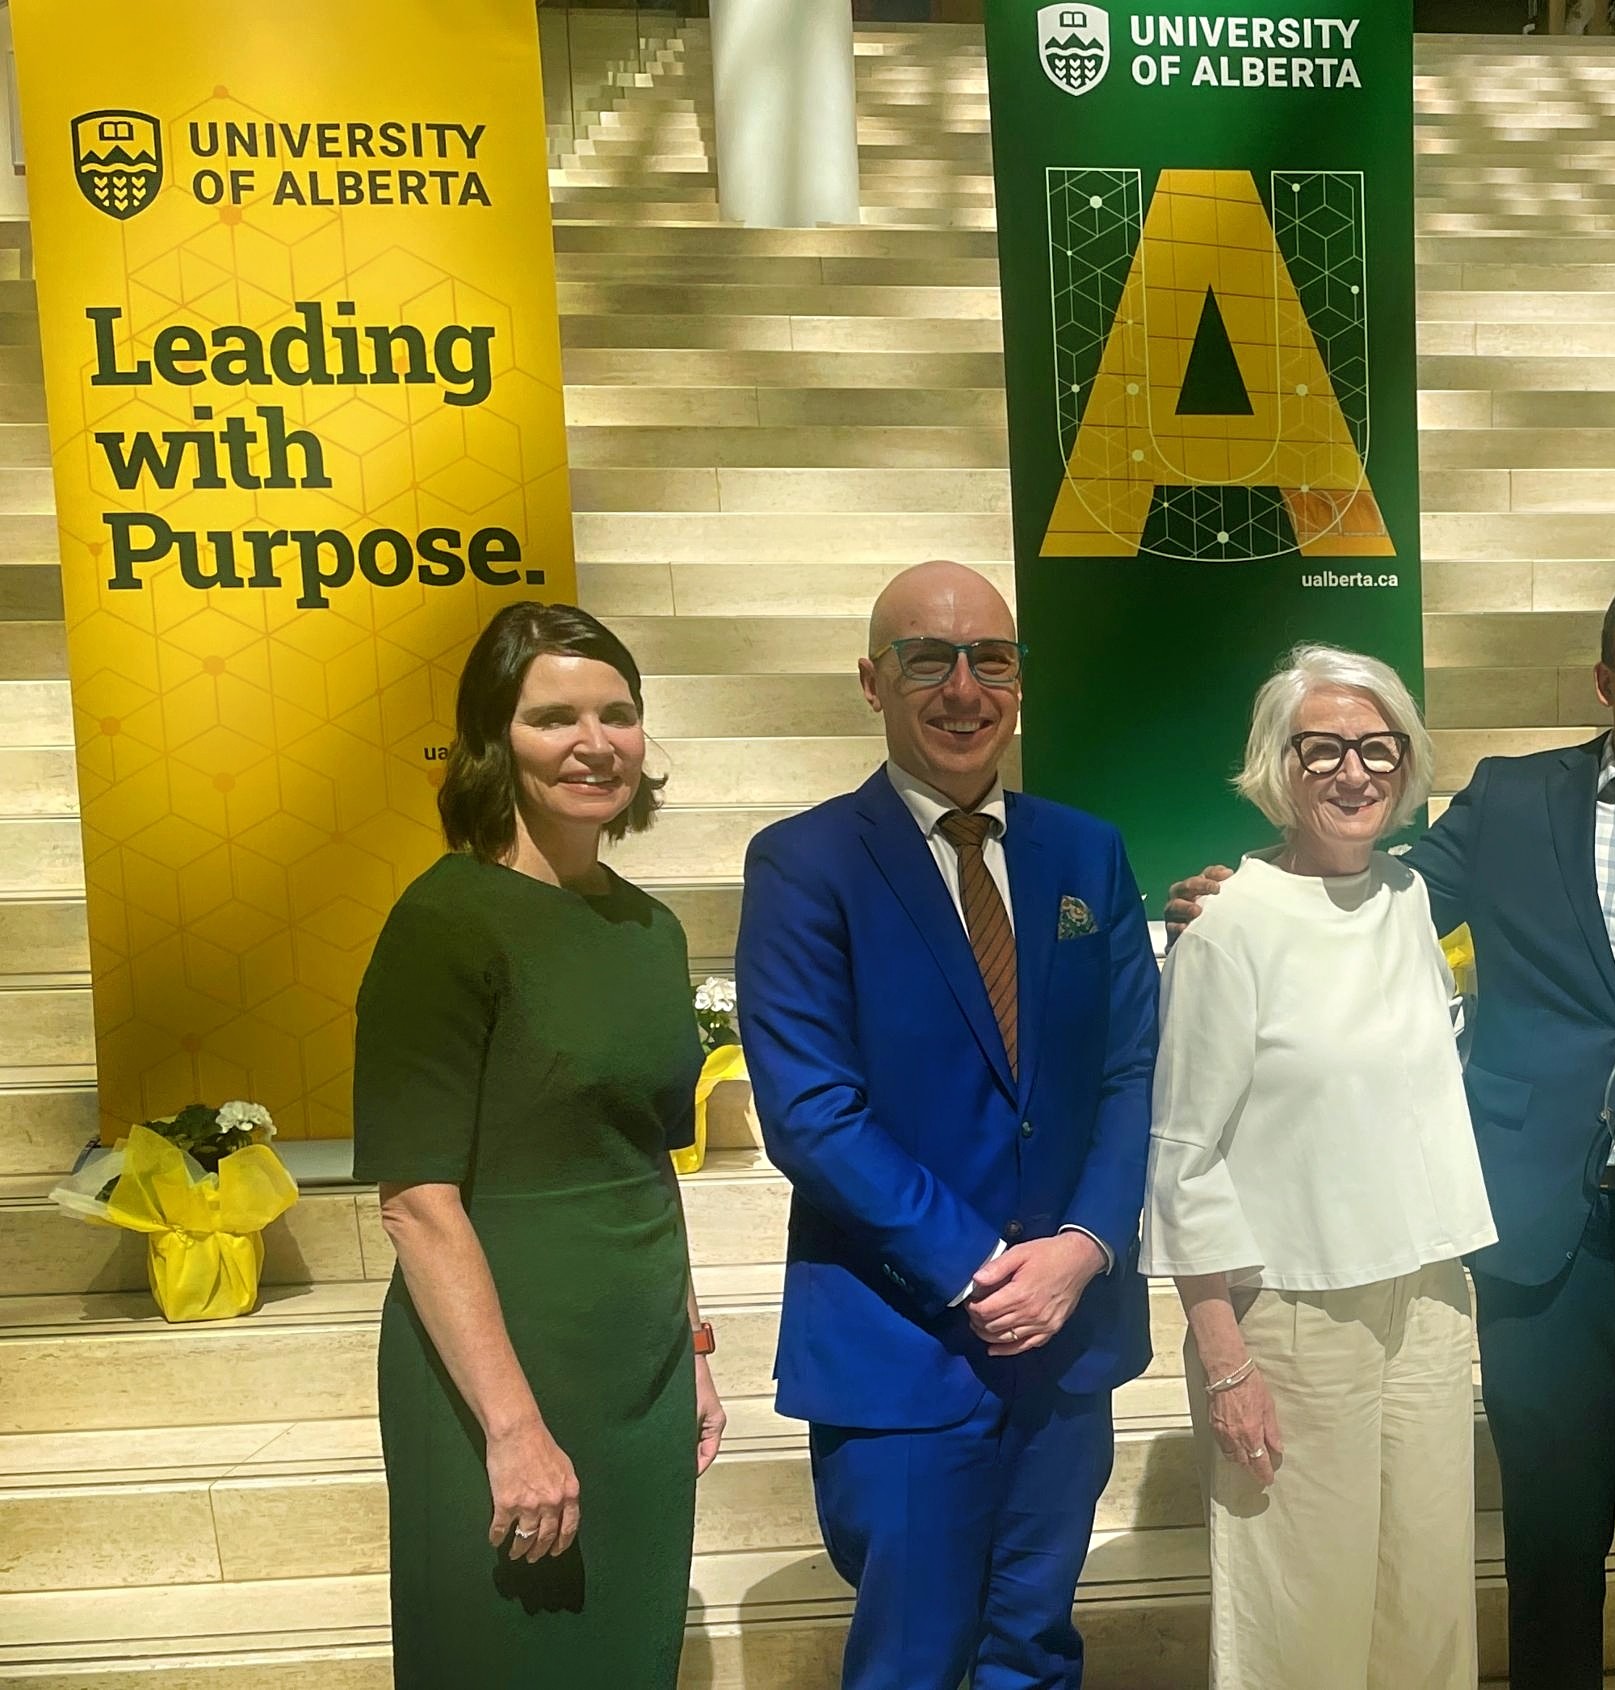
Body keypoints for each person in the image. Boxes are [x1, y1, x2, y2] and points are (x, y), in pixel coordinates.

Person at [1171, 566, 1615, 1690]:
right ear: (1608, 679)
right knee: (1550, 1557)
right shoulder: (1514, 799)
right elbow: (1367, 899)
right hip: (1540, 1242)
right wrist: (1252, 892)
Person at [737, 560, 1160, 1690]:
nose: (964, 687)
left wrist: (1082, 1248)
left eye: (993, 658)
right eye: (930, 658)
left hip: (1065, 1340)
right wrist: (979, 1266)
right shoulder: (805, 863)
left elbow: (1132, 1074)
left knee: (1033, 1649)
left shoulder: (1087, 854)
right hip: (903, 1343)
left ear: (1022, 680)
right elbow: (812, 1112)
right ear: (873, 682)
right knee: (913, 1662)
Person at [354, 601, 724, 1689]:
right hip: (494, 1377)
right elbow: (416, 1200)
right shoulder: (445, 920)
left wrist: (691, 1347)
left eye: (618, 713)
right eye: (554, 716)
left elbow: (649, 1159)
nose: (593, 741)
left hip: (640, 1372)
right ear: (494, 741)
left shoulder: (650, 931)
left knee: (627, 1654)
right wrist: (514, 1429)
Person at [1144, 644, 1497, 1690]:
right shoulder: (1229, 929)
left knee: (1423, 1597)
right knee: (1299, 1611)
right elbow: (1183, 1154)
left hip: (1427, 1295)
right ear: (1277, 765)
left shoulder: (1407, 899)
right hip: (1291, 1313)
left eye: (1378, 749)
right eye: (1323, 749)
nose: (1355, 772)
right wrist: (1225, 1359)